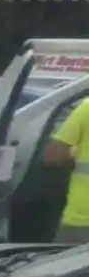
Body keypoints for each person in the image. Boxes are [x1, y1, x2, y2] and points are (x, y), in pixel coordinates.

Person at [40, 96, 89, 243]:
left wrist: (72, 160)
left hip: (82, 218)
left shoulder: (87, 107)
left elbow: (53, 156)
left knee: (63, 264)